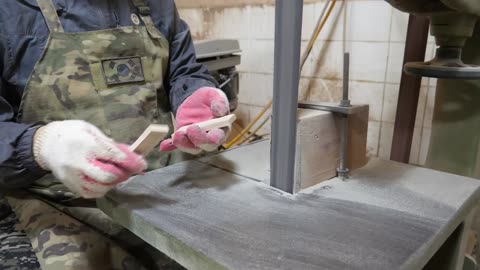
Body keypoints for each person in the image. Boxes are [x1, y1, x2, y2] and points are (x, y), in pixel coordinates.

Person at [0, 0, 231, 269]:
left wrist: (195, 95)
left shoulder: (158, 6)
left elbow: (183, 70)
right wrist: (42, 146)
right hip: (58, 202)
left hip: (160, 188)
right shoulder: (10, 11)